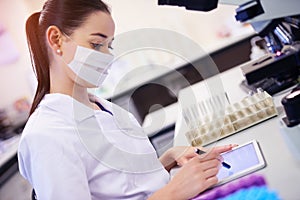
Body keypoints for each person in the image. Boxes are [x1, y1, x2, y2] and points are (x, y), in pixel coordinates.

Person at [18, 0, 235, 199]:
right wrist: (171, 193)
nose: (107, 55)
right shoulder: (47, 136)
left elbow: (127, 188)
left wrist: (168, 159)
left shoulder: (101, 107)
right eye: (96, 44)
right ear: (56, 40)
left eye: (109, 46)